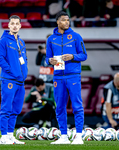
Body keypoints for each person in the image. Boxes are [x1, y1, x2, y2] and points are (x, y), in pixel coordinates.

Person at [46, 11, 87, 144]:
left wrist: (72, 56)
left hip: (73, 76)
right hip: (58, 77)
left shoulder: (76, 36)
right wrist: (50, 61)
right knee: (60, 107)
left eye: (68, 20)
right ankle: (63, 136)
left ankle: (79, 136)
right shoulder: (51, 39)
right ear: (57, 22)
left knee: (77, 105)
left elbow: (84, 55)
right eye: (63, 20)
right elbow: (47, 58)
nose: (66, 22)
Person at [0, 15, 28, 144]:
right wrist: (12, 70)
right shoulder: (3, 41)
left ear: (20, 26)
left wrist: (24, 72)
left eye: (17, 23)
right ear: (8, 25)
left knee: (16, 110)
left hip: (20, 81)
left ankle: (10, 135)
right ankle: (3, 137)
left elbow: (24, 60)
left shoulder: (21, 42)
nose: (14, 26)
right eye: (12, 23)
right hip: (8, 80)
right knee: (6, 108)